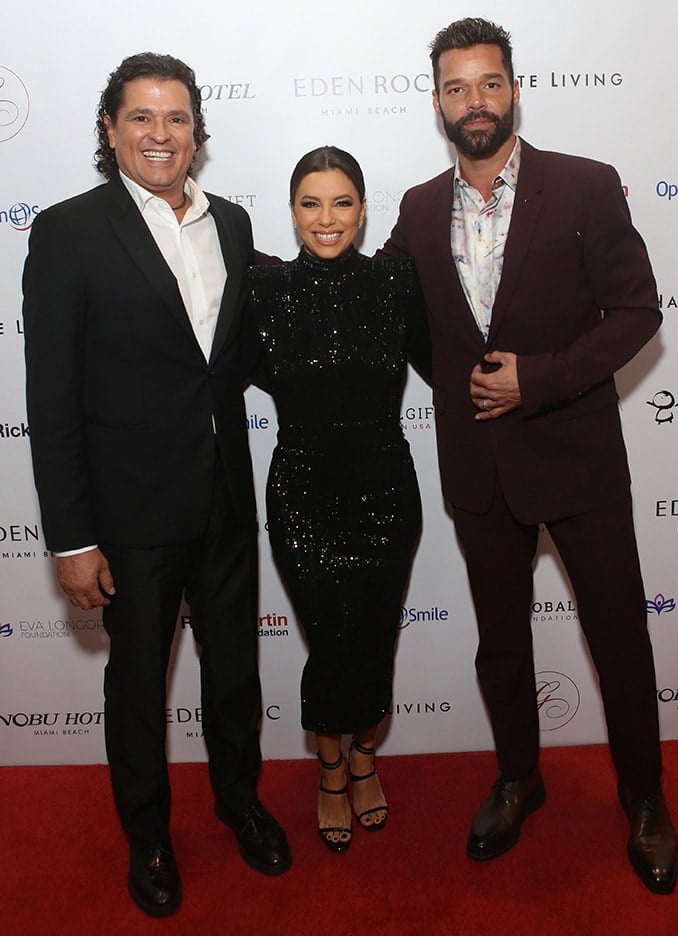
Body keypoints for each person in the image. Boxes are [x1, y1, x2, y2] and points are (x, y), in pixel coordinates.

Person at [381, 17, 678, 894]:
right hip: (479, 469)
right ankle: (519, 778)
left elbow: (637, 313)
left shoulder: (586, 189)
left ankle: (647, 797)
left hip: (578, 457)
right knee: (502, 644)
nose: (475, 101)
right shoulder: (418, 207)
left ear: (515, 88)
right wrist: (460, 385)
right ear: (435, 99)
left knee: (619, 638)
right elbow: (405, 322)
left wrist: (537, 380)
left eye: (489, 83)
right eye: (456, 86)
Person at [22, 52, 290, 918]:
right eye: (142, 116)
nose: (160, 134)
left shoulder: (236, 224)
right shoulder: (68, 232)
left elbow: (234, 359)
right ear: (110, 128)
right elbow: (51, 398)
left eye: (177, 118)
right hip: (129, 514)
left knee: (236, 675)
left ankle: (240, 803)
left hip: (224, 497)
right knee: (136, 686)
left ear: (197, 133)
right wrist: (70, 536)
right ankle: (148, 836)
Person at [249, 146, 429, 852]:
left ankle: (364, 759)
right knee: (328, 642)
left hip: (386, 489)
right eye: (310, 203)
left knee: (375, 635)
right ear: (291, 211)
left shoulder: (395, 281)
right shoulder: (262, 291)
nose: (327, 219)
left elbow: (450, 359)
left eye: (342, 202)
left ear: (363, 208)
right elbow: (210, 366)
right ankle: (331, 770)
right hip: (302, 494)